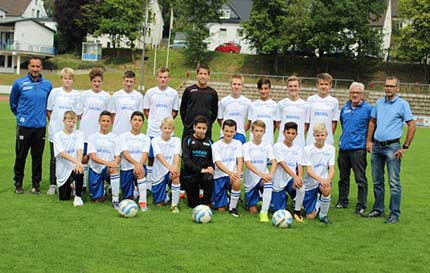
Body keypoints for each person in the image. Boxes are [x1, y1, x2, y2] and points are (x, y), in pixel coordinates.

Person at [365, 76, 416, 224]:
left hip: (393, 147)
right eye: (386, 86)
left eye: (392, 86)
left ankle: (394, 214)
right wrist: (369, 141)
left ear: (397, 89)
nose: (388, 88)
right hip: (377, 146)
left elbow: (412, 125)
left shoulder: (402, 104)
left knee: (394, 182)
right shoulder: (379, 102)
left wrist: (405, 147)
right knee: (377, 181)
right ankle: (378, 209)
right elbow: (372, 121)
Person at [9, 56, 53, 194]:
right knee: (21, 156)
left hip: (40, 127)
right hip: (24, 126)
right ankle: (18, 183)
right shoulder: (19, 83)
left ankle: (36, 184)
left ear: (41, 68)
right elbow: (13, 103)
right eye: (32, 66)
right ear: (28, 67)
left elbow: (49, 105)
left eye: (37, 66)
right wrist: (22, 117)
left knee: (37, 157)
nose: (35, 69)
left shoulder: (47, 85)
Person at [335, 82, 373, 215]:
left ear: (362, 94)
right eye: (352, 92)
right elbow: (343, 123)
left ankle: (361, 205)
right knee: (343, 177)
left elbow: (372, 126)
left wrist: (369, 142)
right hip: (344, 148)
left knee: (360, 178)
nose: (355, 95)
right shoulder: (345, 108)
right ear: (349, 93)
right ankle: (342, 201)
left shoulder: (368, 109)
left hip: (358, 149)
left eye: (358, 92)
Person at [46, 67, 82, 195]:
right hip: (56, 132)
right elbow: (49, 110)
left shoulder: (77, 95)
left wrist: (70, 127)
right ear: (61, 79)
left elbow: (78, 114)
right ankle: (53, 183)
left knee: (71, 157)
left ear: (73, 80)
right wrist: (55, 124)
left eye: (70, 79)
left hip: (71, 133)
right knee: (54, 158)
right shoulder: (54, 92)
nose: (67, 81)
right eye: (65, 78)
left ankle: (71, 183)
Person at [143, 67, 179, 186]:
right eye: (161, 77)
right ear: (157, 77)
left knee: (167, 157)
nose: (163, 79)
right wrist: (154, 122)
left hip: (167, 133)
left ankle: (167, 181)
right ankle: (149, 183)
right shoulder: (150, 92)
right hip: (153, 131)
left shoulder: (173, 93)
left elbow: (174, 111)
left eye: (165, 77)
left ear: (168, 78)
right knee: (152, 157)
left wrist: (167, 125)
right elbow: (146, 110)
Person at [80, 68, 111, 191]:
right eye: (94, 81)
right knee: (84, 159)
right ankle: (83, 184)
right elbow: (79, 113)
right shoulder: (84, 95)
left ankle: (102, 184)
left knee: (100, 159)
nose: (97, 83)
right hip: (86, 133)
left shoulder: (106, 97)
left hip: (100, 135)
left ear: (102, 81)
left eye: (99, 81)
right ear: (91, 81)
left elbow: (109, 115)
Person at [243, 120, 277, 222]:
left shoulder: (267, 146)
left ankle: (264, 212)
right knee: (253, 210)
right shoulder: (246, 146)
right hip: (251, 182)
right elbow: (248, 164)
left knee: (268, 182)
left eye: (261, 131)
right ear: (252, 131)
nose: (258, 133)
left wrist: (270, 174)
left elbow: (274, 162)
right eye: (256, 130)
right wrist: (261, 174)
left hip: (263, 178)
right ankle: (255, 199)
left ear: (264, 132)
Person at [272, 122, 305, 222]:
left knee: (301, 187)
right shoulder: (277, 146)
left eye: (293, 133)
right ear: (283, 133)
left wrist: (299, 177)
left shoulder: (298, 148)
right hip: (279, 179)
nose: (290, 136)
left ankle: (297, 212)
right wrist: (295, 176)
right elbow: (282, 164)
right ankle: (282, 198)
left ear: (296, 134)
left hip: (291, 179)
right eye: (288, 133)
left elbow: (300, 164)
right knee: (278, 210)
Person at [87, 111, 121, 209]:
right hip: (95, 169)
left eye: (107, 121)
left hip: (108, 168)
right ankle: (103, 189)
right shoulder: (92, 137)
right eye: (103, 121)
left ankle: (115, 200)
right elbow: (93, 157)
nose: (105, 123)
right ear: (99, 121)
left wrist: (114, 163)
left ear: (111, 123)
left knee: (114, 169)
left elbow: (118, 155)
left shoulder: (115, 137)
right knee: (98, 200)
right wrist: (108, 162)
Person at [303, 123, 335, 224]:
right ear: (313, 135)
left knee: (326, 189)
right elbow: (309, 171)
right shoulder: (307, 149)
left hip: (324, 180)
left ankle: (323, 215)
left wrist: (327, 180)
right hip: (310, 183)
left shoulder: (331, 149)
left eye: (322, 135)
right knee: (310, 216)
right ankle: (318, 201)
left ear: (326, 134)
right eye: (317, 135)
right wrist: (321, 180)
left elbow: (332, 169)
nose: (320, 138)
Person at [119, 111, 151, 211]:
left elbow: (145, 154)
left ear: (142, 123)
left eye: (140, 120)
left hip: (140, 167)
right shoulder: (123, 137)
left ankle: (143, 202)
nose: (137, 122)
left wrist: (139, 165)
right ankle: (135, 192)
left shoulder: (145, 138)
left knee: (140, 172)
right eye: (135, 120)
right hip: (126, 168)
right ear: (130, 121)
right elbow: (125, 153)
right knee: (129, 199)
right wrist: (136, 163)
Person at [211, 119, 243, 217]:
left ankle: (232, 208)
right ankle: (227, 199)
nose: (229, 134)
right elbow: (218, 163)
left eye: (231, 131)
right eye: (227, 131)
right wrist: (230, 173)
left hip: (232, 177)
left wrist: (237, 173)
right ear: (222, 130)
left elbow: (240, 159)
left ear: (235, 132)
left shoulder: (238, 143)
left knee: (237, 182)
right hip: (219, 176)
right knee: (220, 209)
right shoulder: (216, 145)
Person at [180, 115, 214, 208]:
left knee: (209, 178)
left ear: (207, 129)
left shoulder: (210, 142)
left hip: (204, 174)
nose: (201, 130)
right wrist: (200, 170)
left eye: (204, 128)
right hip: (190, 174)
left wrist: (211, 168)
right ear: (194, 127)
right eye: (199, 127)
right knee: (192, 204)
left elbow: (212, 160)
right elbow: (187, 160)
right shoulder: (187, 140)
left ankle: (207, 202)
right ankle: (195, 193)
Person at [52, 111, 84, 206]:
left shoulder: (79, 134)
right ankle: (69, 185)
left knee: (79, 170)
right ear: (64, 121)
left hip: (74, 167)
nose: (71, 124)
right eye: (69, 121)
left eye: (74, 122)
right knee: (64, 198)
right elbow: (61, 153)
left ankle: (78, 197)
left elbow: (80, 149)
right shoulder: (57, 136)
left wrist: (78, 163)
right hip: (63, 171)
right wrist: (77, 161)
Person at [151, 117, 182, 212]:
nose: (167, 130)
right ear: (161, 128)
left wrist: (175, 167)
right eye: (165, 128)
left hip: (170, 171)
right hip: (158, 173)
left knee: (176, 176)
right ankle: (167, 194)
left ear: (173, 129)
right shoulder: (155, 140)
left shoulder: (176, 140)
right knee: (160, 203)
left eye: (169, 128)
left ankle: (174, 205)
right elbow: (159, 156)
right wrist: (170, 167)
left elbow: (176, 155)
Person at [180, 64, 218, 139]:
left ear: (208, 76)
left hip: (205, 131)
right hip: (189, 130)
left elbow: (214, 113)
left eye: (205, 74)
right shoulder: (189, 90)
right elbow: (183, 110)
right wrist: (187, 124)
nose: (202, 76)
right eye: (200, 73)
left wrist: (207, 125)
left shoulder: (212, 93)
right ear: (197, 75)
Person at [306, 73, 339, 146]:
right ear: (317, 85)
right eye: (321, 84)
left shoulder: (334, 101)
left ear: (330, 85)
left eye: (326, 84)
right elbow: (307, 121)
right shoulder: (310, 100)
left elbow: (334, 122)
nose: (323, 87)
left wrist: (329, 135)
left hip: (327, 139)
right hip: (312, 139)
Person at [217, 74, 251, 144]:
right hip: (225, 134)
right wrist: (227, 130)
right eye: (234, 84)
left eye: (239, 84)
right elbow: (220, 118)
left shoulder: (247, 102)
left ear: (242, 86)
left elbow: (250, 120)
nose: (236, 87)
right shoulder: (223, 101)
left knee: (239, 155)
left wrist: (242, 130)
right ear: (231, 85)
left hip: (240, 135)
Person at [277, 75, 309, 148]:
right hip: (283, 142)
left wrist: (297, 136)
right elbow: (278, 123)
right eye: (290, 86)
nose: (293, 88)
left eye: (295, 86)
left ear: (299, 87)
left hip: (299, 143)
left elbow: (306, 125)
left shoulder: (305, 105)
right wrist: (287, 136)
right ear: (287, 87)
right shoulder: (281, 104)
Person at [109, 71, 143, 136]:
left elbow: (139, 116)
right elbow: (112, 114)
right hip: (117, 132)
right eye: (127, 81)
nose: (128, 84)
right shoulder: (116, 95)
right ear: (123, 81)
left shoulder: (139, 96)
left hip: (132, 133)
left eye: (131, 81)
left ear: (134, 82)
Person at [247, 78, 280, 144]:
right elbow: (250, 123)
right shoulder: (252, 105)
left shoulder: (275, 105)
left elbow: (276, 125)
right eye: (261, 89)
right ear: (258, 90)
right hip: (253, 142)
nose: (263, 91)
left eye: (265, 88)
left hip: (268, 141)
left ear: (269, 89)